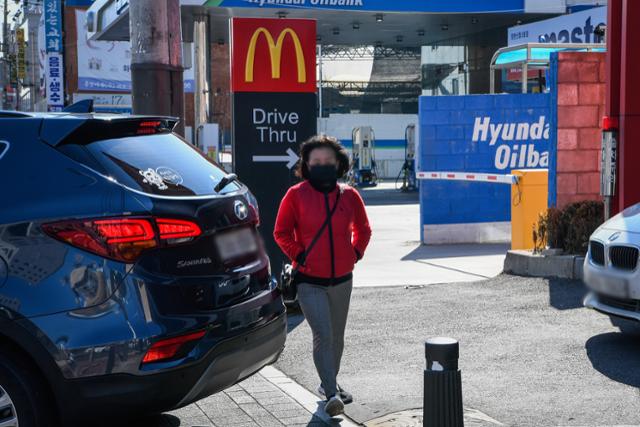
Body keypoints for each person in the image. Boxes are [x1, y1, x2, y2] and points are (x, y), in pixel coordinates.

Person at [274, 135, 372, 417]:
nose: (322, 165)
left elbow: (363, 230)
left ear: (338, 163)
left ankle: (329, 382)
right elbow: (280, 233)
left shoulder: (350, 196)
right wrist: (298, 254)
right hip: (309, 280)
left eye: (328, 161)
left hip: (342, 278)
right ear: (306, 164)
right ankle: (331, 392)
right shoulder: (295, 195)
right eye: (316, 162)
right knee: (323, 335)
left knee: (337, 338)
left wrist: (355, 254)